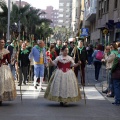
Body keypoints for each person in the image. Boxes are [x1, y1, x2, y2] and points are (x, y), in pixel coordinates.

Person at [0, 39, 16, 105]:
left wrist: (14, 59)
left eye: (3, 42)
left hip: (3, 68)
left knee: (2, 83)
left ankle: (1, 97)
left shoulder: (7, 51)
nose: (2, 43)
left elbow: (9, 61)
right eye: (1, 42)